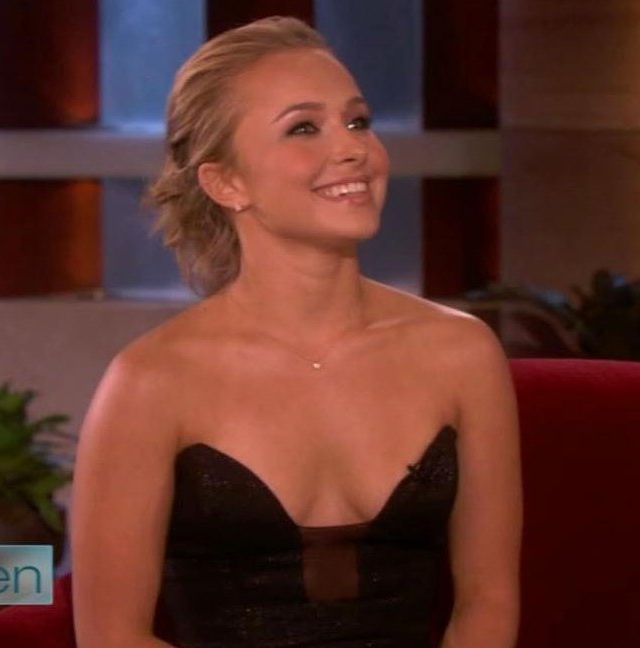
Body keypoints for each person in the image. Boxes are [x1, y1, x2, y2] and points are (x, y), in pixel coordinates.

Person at [70, 16, 522, 648]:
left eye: (358, 121)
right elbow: (111, 636)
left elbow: (487, 603)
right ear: (226, 182)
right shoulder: (150, 382)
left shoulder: (463, 352)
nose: (353, 149)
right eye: (304, 128)